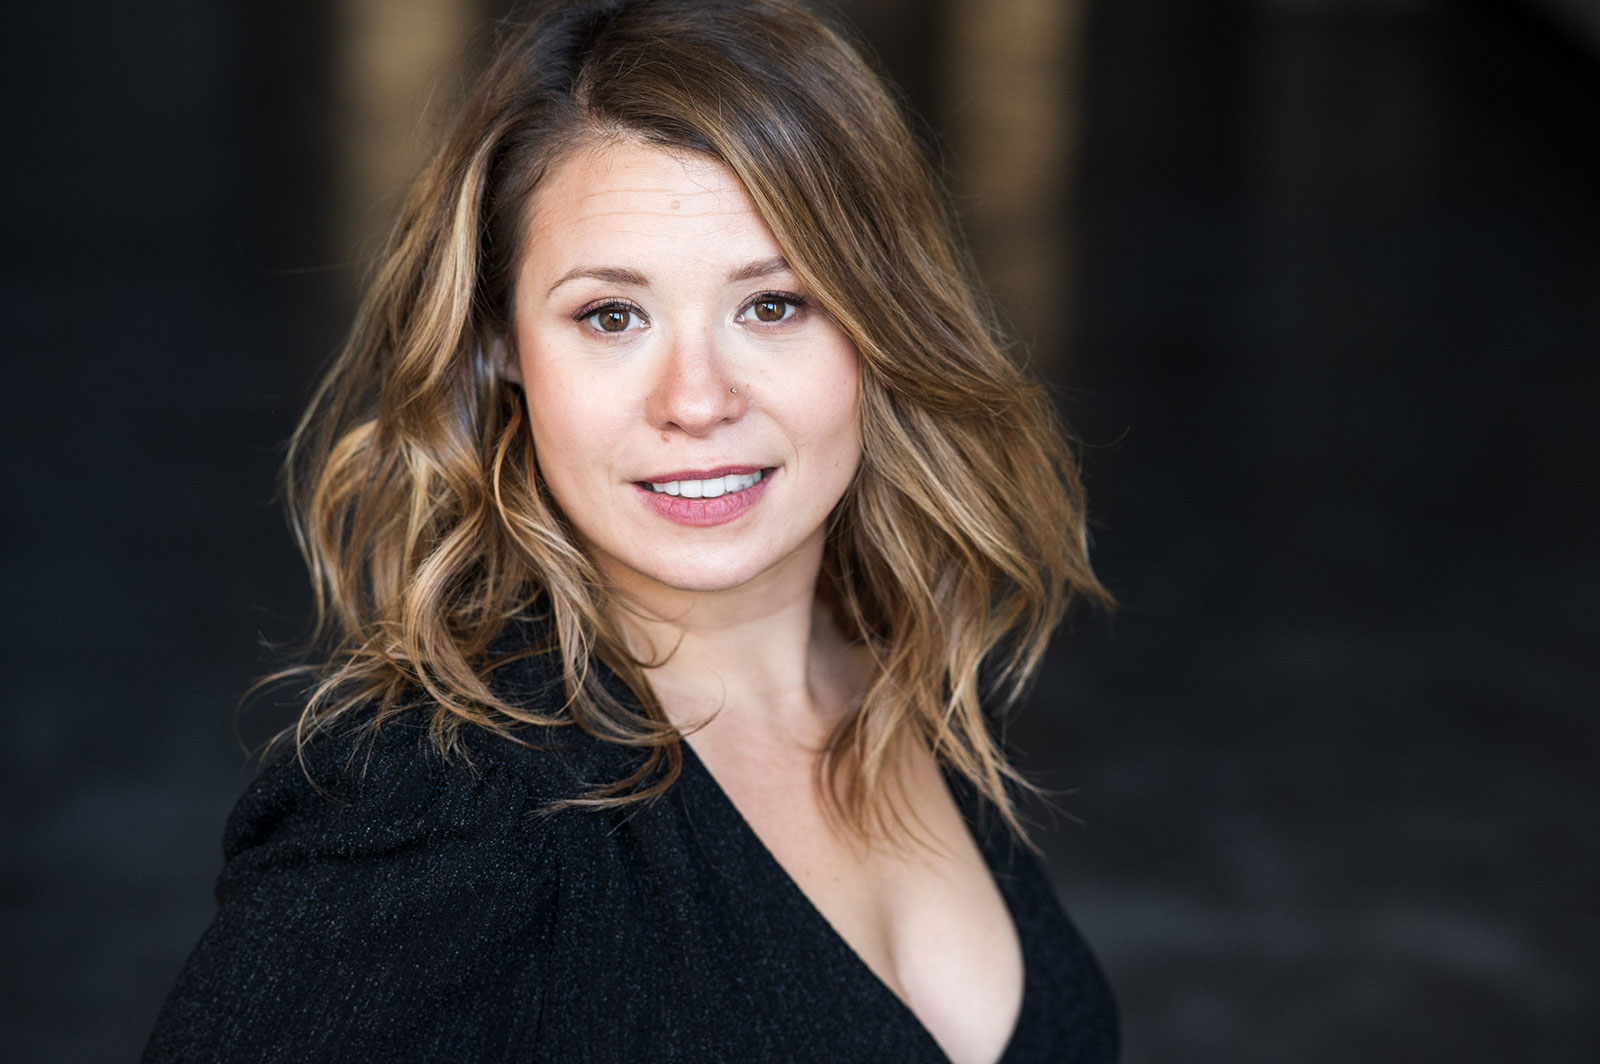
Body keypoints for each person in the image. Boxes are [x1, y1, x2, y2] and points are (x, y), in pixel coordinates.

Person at [143, 0, 1118, 1060]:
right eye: (611, 315)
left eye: (774, 303)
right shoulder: (441, 792)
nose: (694, 400)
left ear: (880, 319)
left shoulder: (905, 672)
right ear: (499, 345)